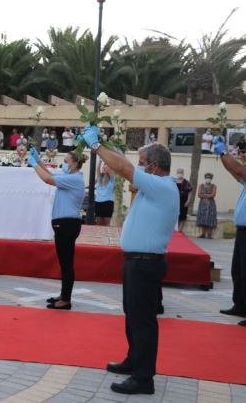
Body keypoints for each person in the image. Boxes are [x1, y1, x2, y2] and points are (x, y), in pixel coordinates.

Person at [83, 126, 178, 395]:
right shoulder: (153, 187)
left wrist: (96, 146)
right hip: (137, 262)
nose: (137, 168)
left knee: (143, 321)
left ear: (154, 167)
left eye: (142, 163)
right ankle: (134, 361)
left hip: (145, 263)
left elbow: (124, 169)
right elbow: (125, 168)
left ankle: (143, 377)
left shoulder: (161, 186)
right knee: (133, 317)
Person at [28, 147, 86, 311]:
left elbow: (47, 179)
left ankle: (66, 299)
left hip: (67, 224)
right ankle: (63, 294)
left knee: (66, 263)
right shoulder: (70, 176)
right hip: (65, 224)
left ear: (74, 163)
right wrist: (38, 161)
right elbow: (51, 175)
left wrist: (33, 164)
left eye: (66, 162)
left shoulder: (74, 179)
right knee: (64, 262)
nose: (64, 165)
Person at [213, 137, 246, 327]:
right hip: (242, 231)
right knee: (239, 271)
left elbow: (239, 170)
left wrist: (223, 152)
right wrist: (223, 155)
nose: (242, 155)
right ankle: (240, 305)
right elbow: (236, 172)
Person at [196, 173, 217, 239]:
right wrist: (208, 195)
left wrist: (204, 195)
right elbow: (199, 194)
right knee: (202, 218)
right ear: (205, 178)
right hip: (202, 204)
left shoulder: (214, 186)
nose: (208, 179)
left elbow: (213, 195)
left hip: (211, 204)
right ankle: (203, 234)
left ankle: (209, 234)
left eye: (210, 178)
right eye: (207, 177)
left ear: (211, 179)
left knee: (210, 218)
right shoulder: (201, 186)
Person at [95, 160, 116, 226]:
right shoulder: (99, 177)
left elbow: (111, 171)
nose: (104, 167)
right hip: (98, 202)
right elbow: (98, 169)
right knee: (99, 222)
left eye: (106, 166)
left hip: (108, 202)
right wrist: (100, 160)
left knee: (106, 223)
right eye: (104, 165)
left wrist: (108, 167)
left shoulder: (112, 178)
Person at [175, 169, 193, 234]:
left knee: (182, 215)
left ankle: (180, 230)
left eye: (181, 172)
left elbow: (190, 191)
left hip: (183, 201)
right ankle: (175, 230)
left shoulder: (186, 182)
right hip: (175, 201)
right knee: (175, 215)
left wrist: (188, 200)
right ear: (176, 173)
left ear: (183, 173)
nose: (180, 174)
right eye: (179, 172)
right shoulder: (174, 181)